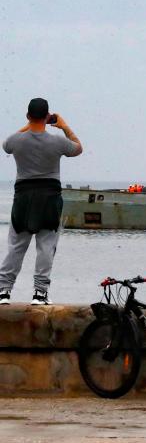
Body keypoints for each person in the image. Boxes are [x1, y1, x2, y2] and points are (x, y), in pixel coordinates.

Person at [1, 98, 82, 305]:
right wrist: (63, 126)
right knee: (46, 246)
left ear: (28, 116)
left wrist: (31, 125)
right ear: (47, 117)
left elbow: (6, 145)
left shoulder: (17, 141)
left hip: (24, 197)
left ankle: (3, 291)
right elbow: (78, 148)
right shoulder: (57, 142)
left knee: (17, 246)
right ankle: (40, 293)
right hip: (50, 197)